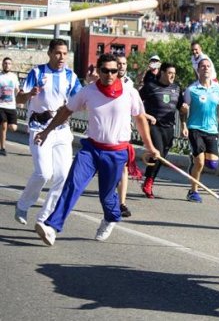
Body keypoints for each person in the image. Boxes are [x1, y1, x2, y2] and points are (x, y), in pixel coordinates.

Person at [33, 53, 160, 246]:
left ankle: (111, 217)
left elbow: (140, 119)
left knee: (107, 196)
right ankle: (52, 227)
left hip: (116, 152)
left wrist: (150, 147)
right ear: (98, 71)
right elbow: (66, 111)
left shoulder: (129, 92)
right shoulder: (88, 91)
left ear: (118, 71)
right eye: (105, 71)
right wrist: (47, 131)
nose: (110, 74)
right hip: (91, 149)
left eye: (114, 71)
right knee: (72, 184)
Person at [14, 39, 83, 226]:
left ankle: (44, 218)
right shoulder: (37, 72)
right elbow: (19, 98)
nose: (61, 57)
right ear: (50, 53)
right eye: (58, 53)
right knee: (44, 173)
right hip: (39, 127)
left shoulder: (71, 76)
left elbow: (81, 101)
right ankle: (23, 205)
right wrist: (30, 94)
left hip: (61, 129)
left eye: (64, 53)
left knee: (62, 176)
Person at [180, 57, 219, 203]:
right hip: (195, 128)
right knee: (200, 163)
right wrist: (183, 124)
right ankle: (193, 191)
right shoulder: (191, 90)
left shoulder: (218, 88)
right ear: (198, 70)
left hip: (212, 129)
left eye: (208, 66)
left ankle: (193, 163)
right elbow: (183, 110)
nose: (206, 69)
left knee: (213, 164)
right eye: (203, 67)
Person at [140, 62, 183, 199]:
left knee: (161, 158)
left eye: (174, 74)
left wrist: (185, 124)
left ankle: (148, 180)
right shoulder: (150, 86)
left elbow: (181, 108)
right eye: (170, 73)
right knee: (157, 153)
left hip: (169, 127)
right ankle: (148, 183)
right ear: (162, 73)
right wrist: (146, 116)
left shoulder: (176, 88)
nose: (172, 76)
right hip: (154, 126)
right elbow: (136, 103)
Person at [116, 55, 136, 217]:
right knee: (108, 168)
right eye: (119, 64)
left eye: (124, 64)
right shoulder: (106, 81)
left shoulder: (129, 84)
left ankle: (122, 203)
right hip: (107, 131)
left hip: (123, 131)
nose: (121, 67)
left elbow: (133, 106)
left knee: (123, 166)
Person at [0, 57, 20, 155]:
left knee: (13, 128)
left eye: (9, 63)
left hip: (11, 106)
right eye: (5, 63)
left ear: (11, 65)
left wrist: (20, 100)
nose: (7, 65)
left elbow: (17, 89)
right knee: (4, 126)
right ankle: (2, 148)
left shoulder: (14, 76)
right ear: (2, 65)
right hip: (1, 105)